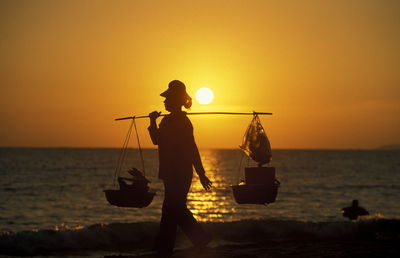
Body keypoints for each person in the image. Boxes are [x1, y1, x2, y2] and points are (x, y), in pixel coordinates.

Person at [148, 80, 213, 257]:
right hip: (170, 172)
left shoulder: (183, 123)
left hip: (180, 172)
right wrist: (153, 121)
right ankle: (169, 245)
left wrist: (201, 173)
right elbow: (157, 140)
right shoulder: (167, 120)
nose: (164, 101)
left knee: (173, 207)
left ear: (175, 100)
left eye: (167, 98)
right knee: (172, 208)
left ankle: (177, 243)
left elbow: (191, 148)